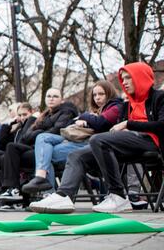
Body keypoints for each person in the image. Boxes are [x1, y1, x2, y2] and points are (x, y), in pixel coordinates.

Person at [31, 63, 164, 214]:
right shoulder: (128, 105)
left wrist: (128, 124)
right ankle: (63, 196)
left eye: (129, 78)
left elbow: (161, 125)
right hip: (127, 145)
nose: (125, 82)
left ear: (141, 77)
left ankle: (118, 195)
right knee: (76, 155)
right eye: (123, 78)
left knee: (98, 140)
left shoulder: (159, 97)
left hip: (152, 142)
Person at [22, 80, 122, 194]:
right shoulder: (95, 111)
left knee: (44, 151)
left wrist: (86, 117)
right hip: (78, 140)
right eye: (94, 95)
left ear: (109, 93)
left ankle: (48, 192)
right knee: (43, 144)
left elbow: (100, 123)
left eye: (101, 94)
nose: (97, 98)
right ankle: (43, 183)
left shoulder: (115, 106)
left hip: (93, 145)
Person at [0, 88, 78, 208]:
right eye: (49, 96)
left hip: (54, 147)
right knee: (11, 148)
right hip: (37, 147)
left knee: (15, 152)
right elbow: (26, 137)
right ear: (45, 99)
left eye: (55, 96)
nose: (51, 98)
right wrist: (40, 131)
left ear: (61, 100)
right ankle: (13, 188)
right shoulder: (44, 115)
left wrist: (39, 132)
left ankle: (46, 192)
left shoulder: (66, 112)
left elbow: (57, 131)